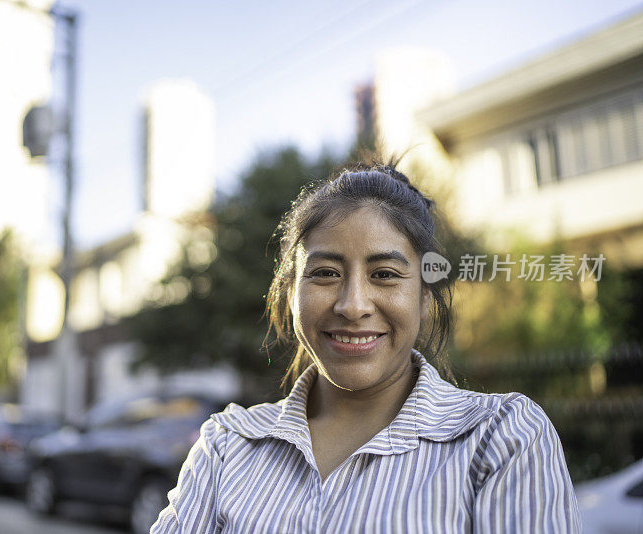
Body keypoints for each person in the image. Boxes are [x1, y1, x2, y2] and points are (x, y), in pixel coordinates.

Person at [151, 163, 582, 533]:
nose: (353, 305)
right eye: (324, 273)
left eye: (386, 275)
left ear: (425, 297)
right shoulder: (228, 446)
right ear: (289, 293)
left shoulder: (502, 438)